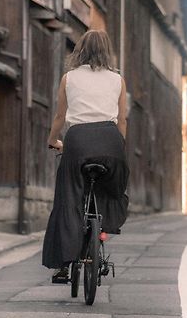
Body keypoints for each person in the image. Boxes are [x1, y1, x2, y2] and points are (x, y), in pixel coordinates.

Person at [42, 29, 129, 281]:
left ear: (79, 49)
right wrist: (118, 147)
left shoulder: (69, 78)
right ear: (106, 51)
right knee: (113, 184)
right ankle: (101, 226)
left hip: (78, 141)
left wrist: (52, 140)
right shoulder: (118, 80)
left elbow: (60, 117)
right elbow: (121, 120)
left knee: (68, 197)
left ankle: (64, 264)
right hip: (111, 140)